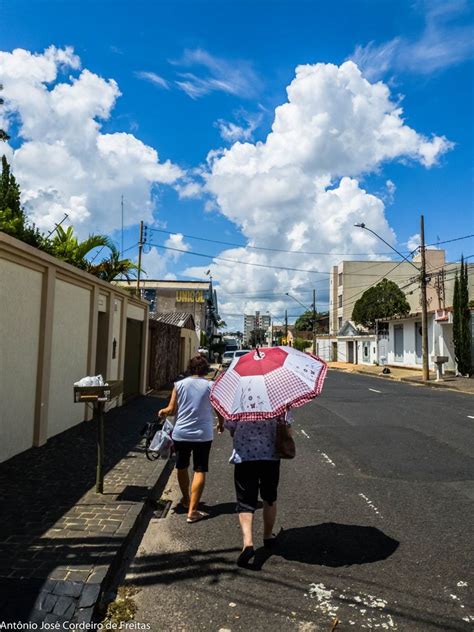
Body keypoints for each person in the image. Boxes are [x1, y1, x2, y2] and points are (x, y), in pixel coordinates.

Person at [217, 411, 293, 566]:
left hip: (244, 456)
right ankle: (267, 537)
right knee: (269, 498)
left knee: (245, 501)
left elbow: (231, 428)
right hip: (270, 456)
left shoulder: (238, 403)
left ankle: (248, 543)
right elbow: (287, 425)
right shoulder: (278, 403)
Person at [158, 355, 215, 523]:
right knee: (200, 468)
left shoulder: (179, 385)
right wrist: (222, 423)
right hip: (203, 434)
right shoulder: (211, 386)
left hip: (181, 433)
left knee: (181, 466)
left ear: (190, 368)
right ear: (206, 369)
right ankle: (193, 510)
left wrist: (163, 411)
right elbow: (218, 407)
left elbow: (172, 409)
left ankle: (186, 499)